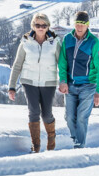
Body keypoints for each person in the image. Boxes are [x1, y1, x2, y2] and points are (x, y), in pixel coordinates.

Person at [8, 12, 60, 152]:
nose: (41, 28)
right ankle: (35, 147)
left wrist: (64, 82)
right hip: (29, 81)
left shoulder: (54, 42)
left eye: (43, 25)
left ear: (48, 26)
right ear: (33, 26)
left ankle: (51, 143)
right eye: (37, 25)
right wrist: (12, 86)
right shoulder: (25, 42)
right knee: (34, 111)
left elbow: (62, 64)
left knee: (47, 114)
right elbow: (17, 64)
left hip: (48, 82)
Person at [57, 11, 99, 148]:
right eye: (78, 24)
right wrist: (63, 80)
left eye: (83, 24)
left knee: (81, 118)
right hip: (71, 85)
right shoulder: (67, 39)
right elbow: (62, 62)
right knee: (69, 117)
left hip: (88, 86)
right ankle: (75, 140)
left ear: (87, 25)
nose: (79, 27)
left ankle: (79, 146)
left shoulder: (94, 42)